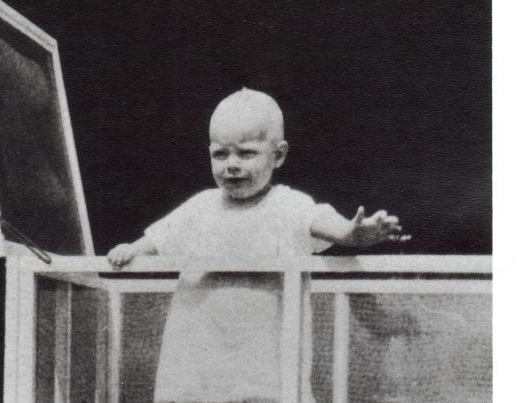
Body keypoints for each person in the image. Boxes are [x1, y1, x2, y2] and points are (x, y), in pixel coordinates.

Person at [108, 88, 407, 403]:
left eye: (246, 153)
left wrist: (355, 233)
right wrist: (131, 249)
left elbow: (331, 226)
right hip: (199, 369)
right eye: (220, 154)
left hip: (265, 372)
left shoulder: (288, 205)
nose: (231, 165)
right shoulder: (201, 207)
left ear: (278, 155)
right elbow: (159, 238)